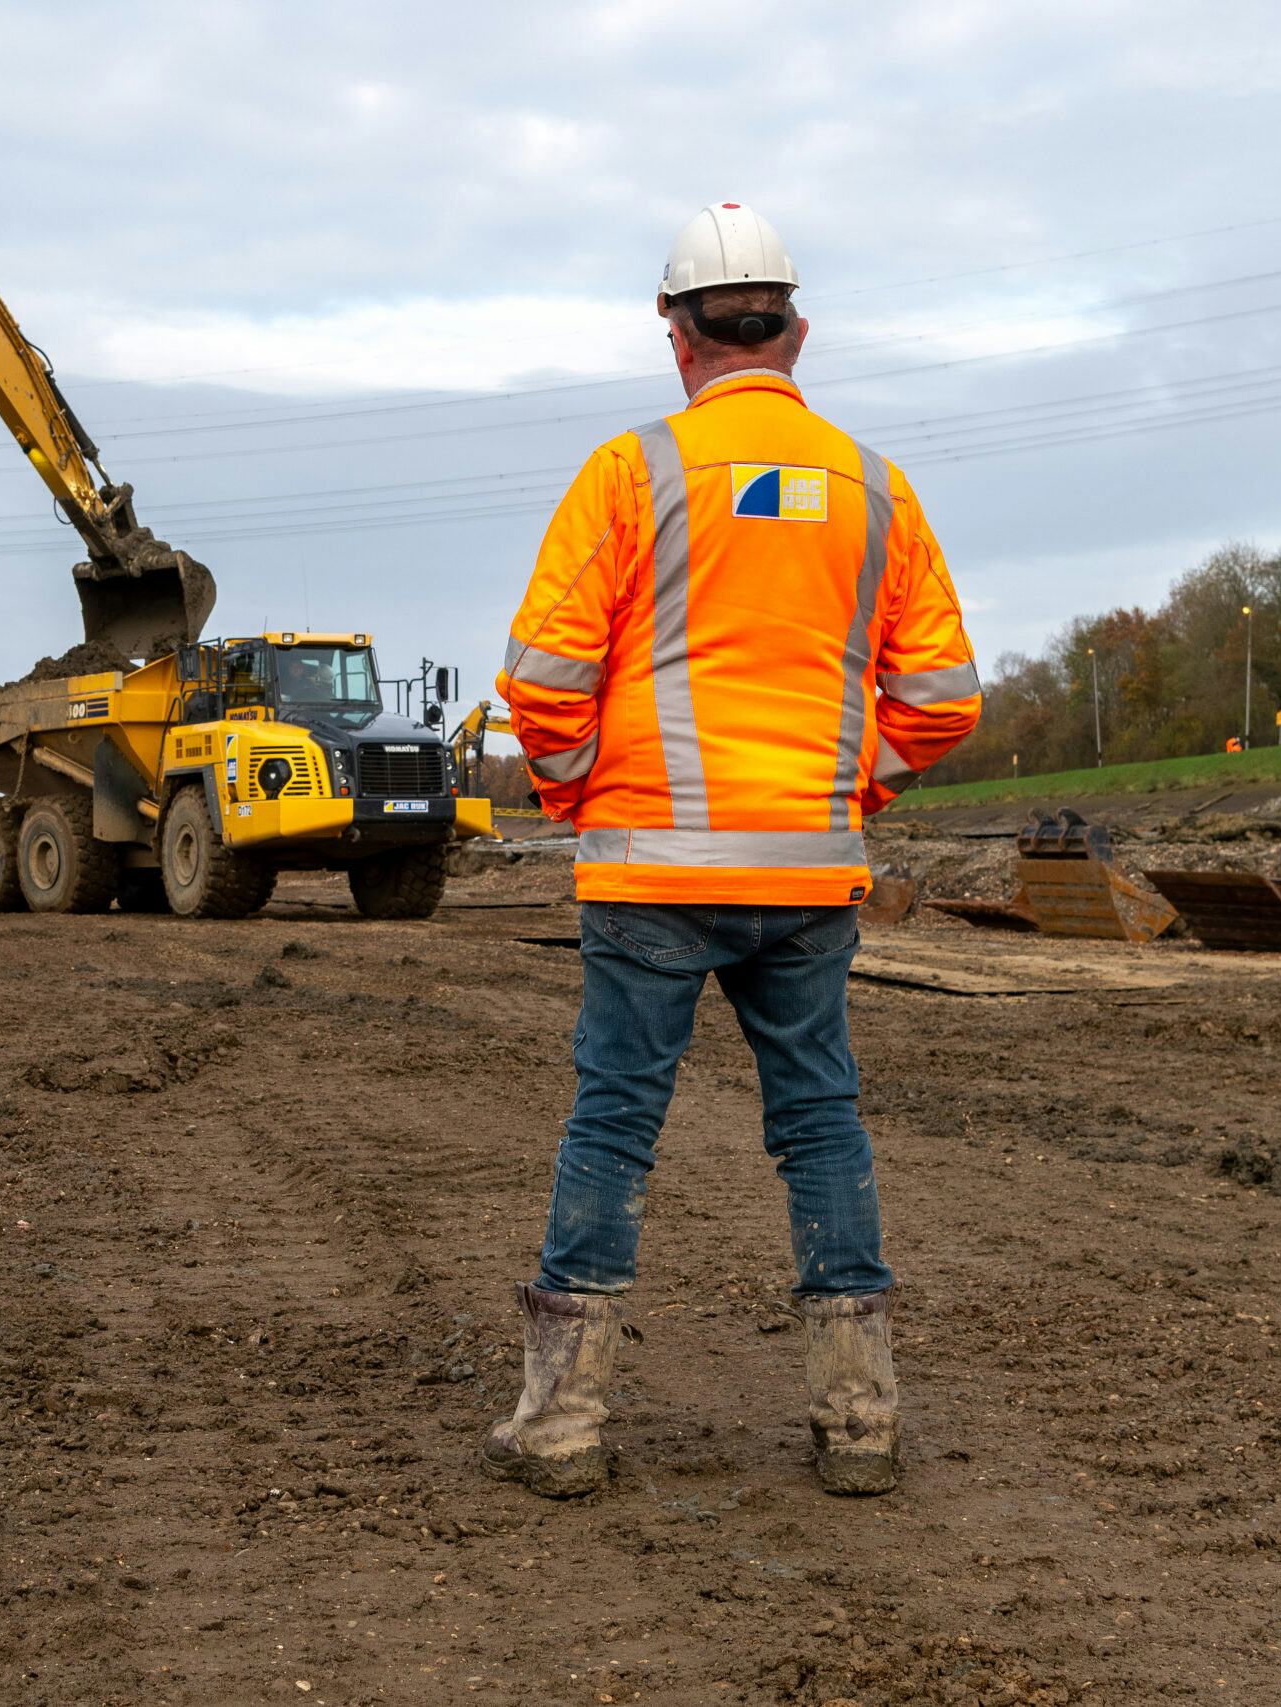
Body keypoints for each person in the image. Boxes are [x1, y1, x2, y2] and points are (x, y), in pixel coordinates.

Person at [482, 203, 982, 1498]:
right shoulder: (874, 488)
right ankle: (860, 1421)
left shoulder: (631, 474)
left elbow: (544, 677)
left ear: (678, 336)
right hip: (808, 876)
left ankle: (563, 1424)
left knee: (614, 1125)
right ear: (796, 332)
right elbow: (942, 695)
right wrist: (847, 789)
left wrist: (575, 790)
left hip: (651, 870)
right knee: (820, 1125)